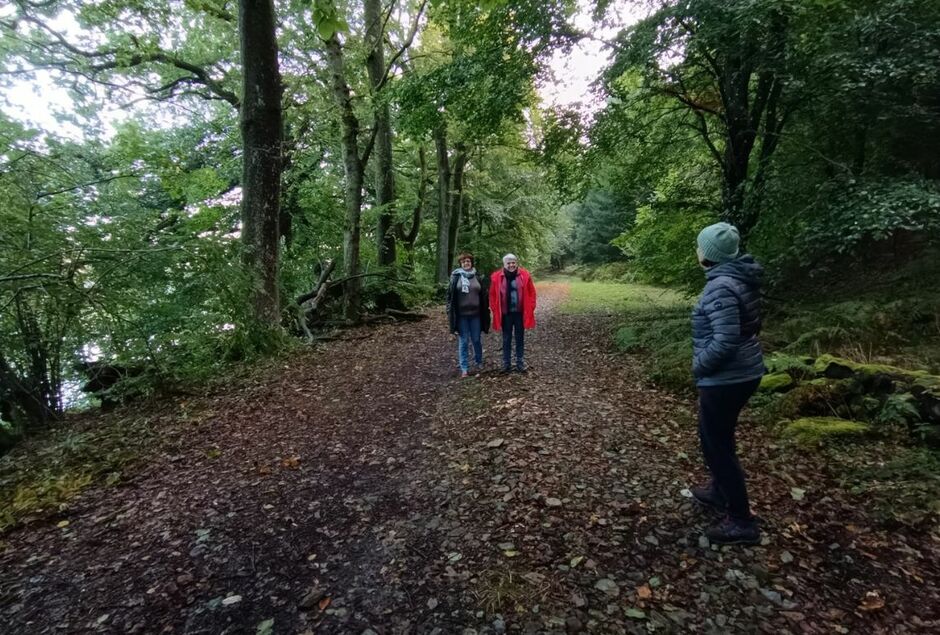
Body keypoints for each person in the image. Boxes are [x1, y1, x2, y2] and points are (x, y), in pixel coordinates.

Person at [690, 222, 765, 545]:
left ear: (708, 254)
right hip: (741, 372)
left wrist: (699, 365)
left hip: (727, 377)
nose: (697, 250)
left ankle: (740, 520)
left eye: (700, 246)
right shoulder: (736, 278)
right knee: (716, 438)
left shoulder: (721, 286)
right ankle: (720, 491)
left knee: (716, 444)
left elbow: (725, 341)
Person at [489, 253, 536, 373]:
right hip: (506, 314)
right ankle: (506, 364)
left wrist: (531, 307)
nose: (511, 265)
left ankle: (520, 363)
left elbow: (532, 293)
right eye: (508, 263)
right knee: (506, 338)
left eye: (513, 262)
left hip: (520, 313)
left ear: (516, 263)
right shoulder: (496, 277)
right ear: (504, 264)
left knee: (520, 338)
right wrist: (494, 308)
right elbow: (492, 295)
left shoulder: (524, 275)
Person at [447, 252, 490, 378]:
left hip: (476, 315)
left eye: (468, 261)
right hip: (461, 316)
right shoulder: (455, 277)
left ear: (471, 263)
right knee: (463, 341)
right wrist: (449, 311)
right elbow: (449, 296)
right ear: (460, 264)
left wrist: (486, 309)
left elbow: (484, 295)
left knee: (476, 339)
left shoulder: (477, 277)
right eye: (464, 261)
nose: (466, 263)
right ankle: (464, 368)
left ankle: (478, 362)